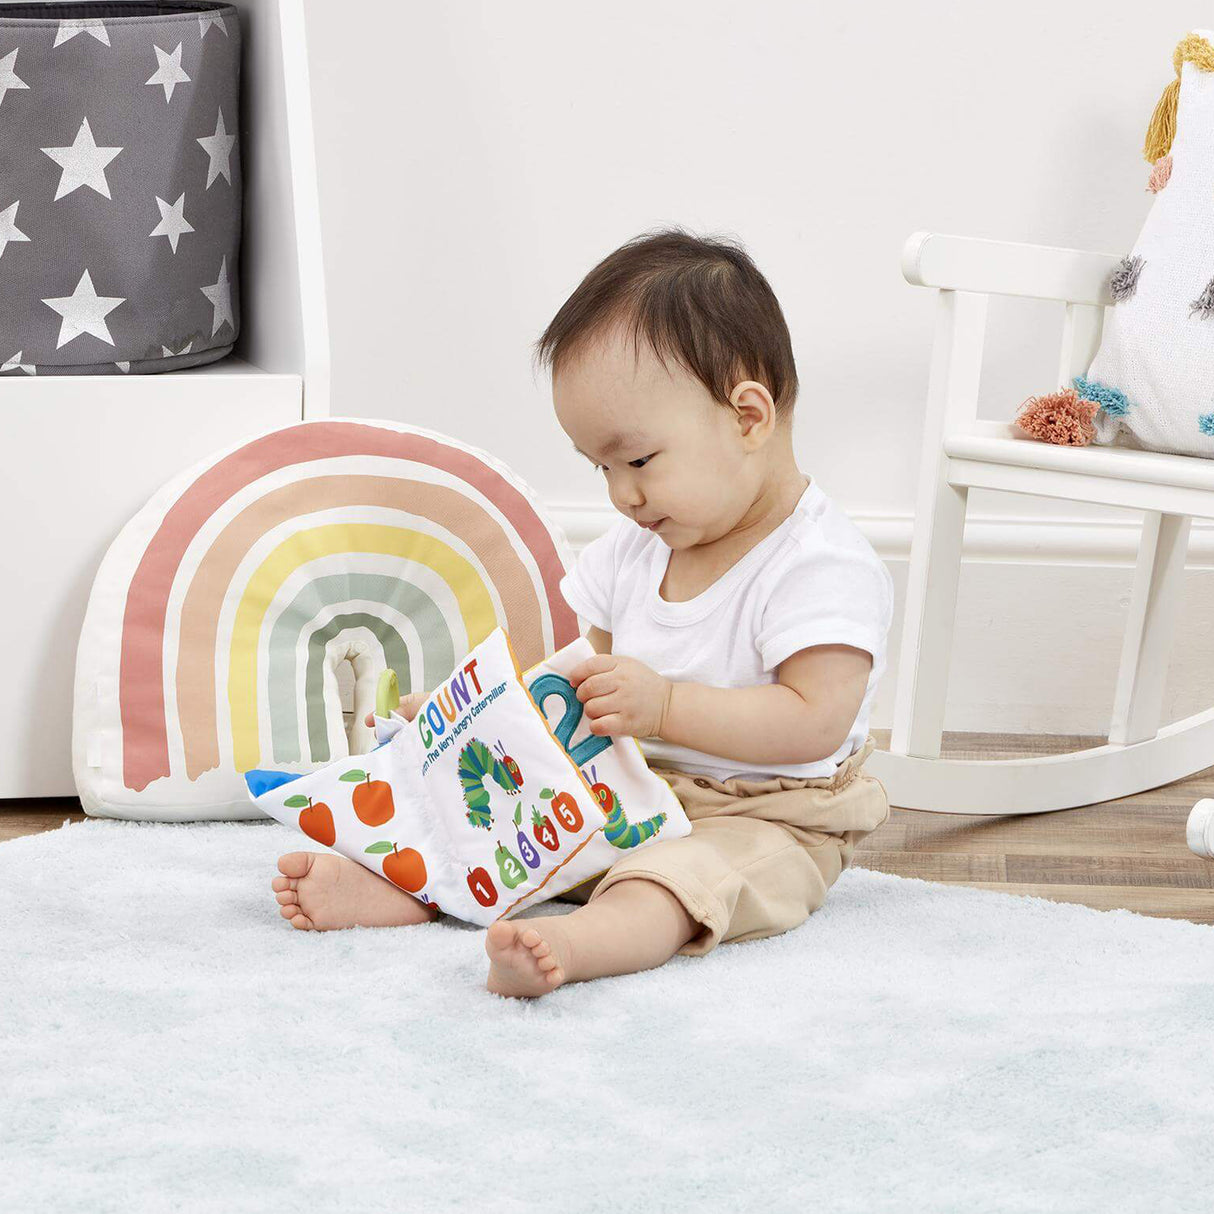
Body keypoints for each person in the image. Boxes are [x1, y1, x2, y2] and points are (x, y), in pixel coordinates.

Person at [271, 227, 893, 998]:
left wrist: (664, 706)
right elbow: (575, 690)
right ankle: (415, 888)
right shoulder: (633, 553)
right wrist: (479, 716)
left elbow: (813, 724)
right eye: (599, 467)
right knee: (509, 814)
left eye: (637, 461)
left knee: (678, 877)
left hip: (771, 812)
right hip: (629, 783)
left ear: (748, 417)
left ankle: (582, 939)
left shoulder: (818, 565)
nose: (620, 494)